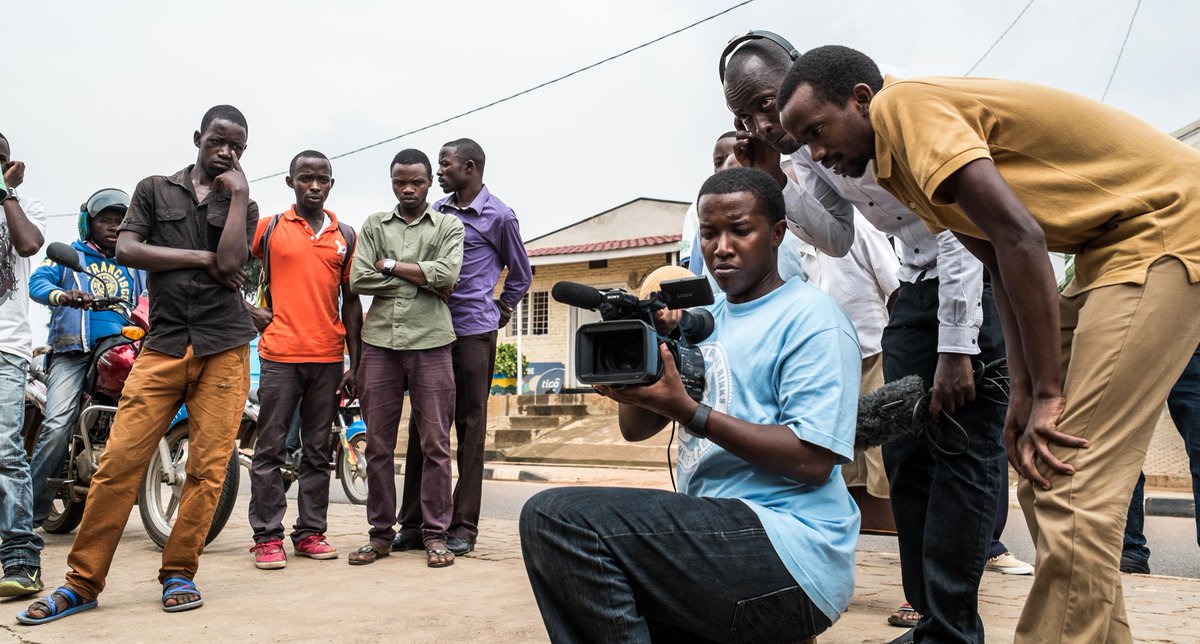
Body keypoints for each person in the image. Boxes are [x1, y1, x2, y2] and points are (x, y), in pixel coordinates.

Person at [777, 45, 1200, 643]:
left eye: (817, 132)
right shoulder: (896, 167)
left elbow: (1021, 236)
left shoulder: (905, 107)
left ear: (861, 99)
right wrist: (1024, 393)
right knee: (1040, 467)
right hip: (1103, 249)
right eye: (803, 143)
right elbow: (997, 260)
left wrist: (1049, 393)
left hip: (1164, 227)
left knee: (1073, 477)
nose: (816, 154)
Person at [722, 35, 1026, 641]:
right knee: (906, 455)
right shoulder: (807, 143)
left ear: (798, 73)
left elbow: (958, 227)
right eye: (747, 117)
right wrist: (776, 180)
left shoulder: (897, 106)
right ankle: (930, 618)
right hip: (916, 281)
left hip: (976, 274)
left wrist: (957, 345)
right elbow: (835, 237)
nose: (764, 125)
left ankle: (954, 630)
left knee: (961, 454)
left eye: (765, 103)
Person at [520, 167, 861, 643]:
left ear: (777, 233)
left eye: (740, 230)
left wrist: (692, 414)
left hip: (791, 547)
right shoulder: (703, 320)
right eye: (709, 233)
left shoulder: (812, 317)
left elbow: (813, 461)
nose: (722, 247)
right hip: (713, 537)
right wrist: (638, 370)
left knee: (555, 518)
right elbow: (637, 430)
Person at [19, 105, 257, 623]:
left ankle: (179, 573)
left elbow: (233, 263)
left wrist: (238, 196)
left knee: (207, 471)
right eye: (217, 141)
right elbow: (128, 250)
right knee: (118, 463)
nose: (226, 152)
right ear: (197, 137)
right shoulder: (153, 190)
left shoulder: (244, 203)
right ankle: (82, 583)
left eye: (236, 146)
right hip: (163, 343)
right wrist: (201, 259)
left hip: (225, 347)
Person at [394, 138, 530, 557]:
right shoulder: (437, 211)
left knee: (470, 429)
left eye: (445, 164)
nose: (438, 172)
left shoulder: (499, 216)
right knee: (423, 427)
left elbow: (521, 273)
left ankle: (464, 527)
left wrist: (501, 308)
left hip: (473, 334)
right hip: (431, 333)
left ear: (469, 167)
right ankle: (412, 525)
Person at [245, 150, 363, 569]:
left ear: (331, 183)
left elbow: (352, 303)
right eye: (305, 178)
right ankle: (267, 537)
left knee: (317, 451)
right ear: (290, 181)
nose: (314, 186)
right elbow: (223, 266)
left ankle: (311, 532)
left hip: (327, 358)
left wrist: (356, 364)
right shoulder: (269, 228)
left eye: (322, 179)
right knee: (270, 450)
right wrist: (247, 309)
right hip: (279, 355)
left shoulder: (345, 235)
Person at [349, 148, 464, 568]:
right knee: (378, 446)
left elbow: (448, 275)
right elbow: (359, 278)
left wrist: (392, 265)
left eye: (416, 181)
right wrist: (422, 277)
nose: (408, 189)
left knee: (436, 445)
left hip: (431, 344)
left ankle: (435, 536)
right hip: (380, 345)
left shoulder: (448, 225)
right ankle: (380, 536)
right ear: (392, 182)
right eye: (400, 182)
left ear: (430, 181)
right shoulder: (374, 225)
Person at [27, 190, 147, 528]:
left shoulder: (135, 262)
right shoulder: (72, 256)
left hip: (127, 348)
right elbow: (37, 282)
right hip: (74, 353)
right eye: (104, 220)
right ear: (88, 224)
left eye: (119, 221)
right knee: (57, 425)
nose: (113, 226)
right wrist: (63, 295)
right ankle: (28, 514)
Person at [0, 131, 47, 598]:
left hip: (5, 347)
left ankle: (20, 560)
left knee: (5, 451)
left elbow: (30, 244)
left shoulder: (24, 205)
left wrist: (5, 193)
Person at [1120, 344, 1200, 574]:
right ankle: (1127, 549)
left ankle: (1127, 549)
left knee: (1124, 450)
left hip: (1191, 343)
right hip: (1132, 343)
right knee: (1123, 450)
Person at [680, 131, 736, 272]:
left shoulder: (765, 201)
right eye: (718, 163)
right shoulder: (697, 209)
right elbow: (690, 266)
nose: (725, 167)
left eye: (733, 158)